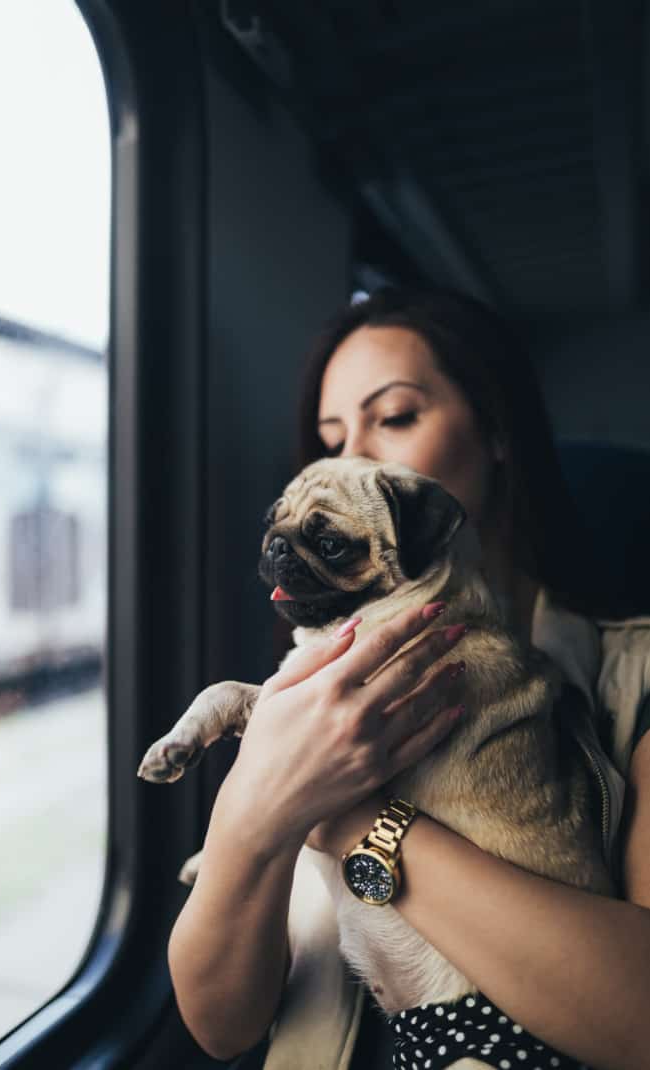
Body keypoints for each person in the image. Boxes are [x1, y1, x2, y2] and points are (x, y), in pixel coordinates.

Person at [167, 288, 650, 1070]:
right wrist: (252, 819)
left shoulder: (637, 679)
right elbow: (222, 1027)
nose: (349, 455)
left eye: (392, 418)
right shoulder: (306, 687)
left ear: (495, 431)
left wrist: (344, 810)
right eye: (329, 435)